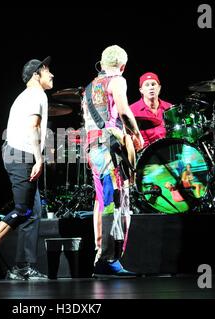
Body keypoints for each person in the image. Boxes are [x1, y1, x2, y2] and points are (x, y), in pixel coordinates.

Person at [0, 56, 53, 281]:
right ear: (35, 75)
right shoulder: (35, 94)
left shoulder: (30, 95)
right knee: (23, 210)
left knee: (33, 212)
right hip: (21, 155)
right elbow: (33, 127)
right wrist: (39, 159)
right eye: (47, 71)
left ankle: (22, 266)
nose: (52, 75)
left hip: (18, 153)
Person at [82, 45, 144, 278]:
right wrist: (136, 134)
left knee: (103, 199)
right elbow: (125, 111)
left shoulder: (89, 87)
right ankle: (109, 259)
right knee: (117, 200)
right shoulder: (117, 80)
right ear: (122, 65)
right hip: (109, 147)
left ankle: (102, 254)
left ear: (102, 62)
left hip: (93, 147)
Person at [130, 72, 172, 148]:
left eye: (153, 84)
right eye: (147, 85)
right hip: (146, 154)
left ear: (159, 88)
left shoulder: (169, 107)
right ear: (141, 90)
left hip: (170, 149)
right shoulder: (132, 110)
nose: (151, 87)